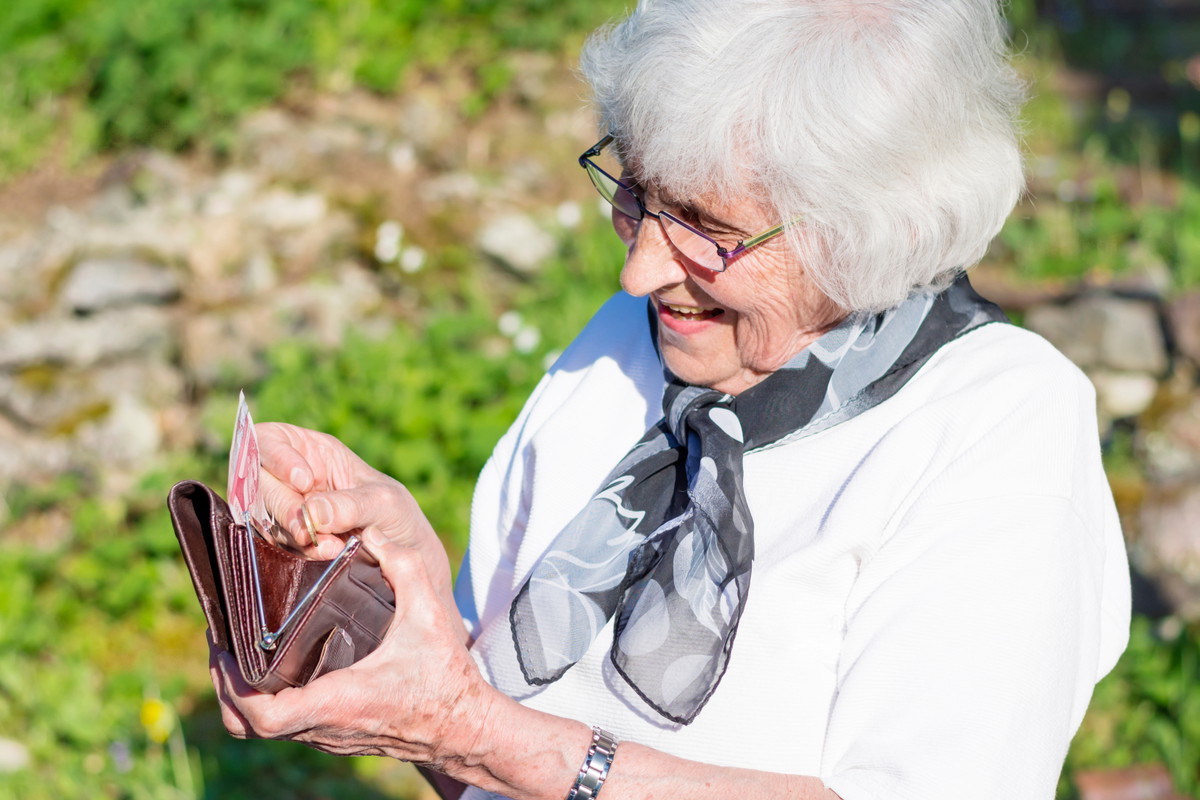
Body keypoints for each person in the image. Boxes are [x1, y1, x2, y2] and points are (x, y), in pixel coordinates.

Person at [210, 1, 1132, 798]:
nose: (639, 270)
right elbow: (482, 755)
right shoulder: (632, 342)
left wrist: (471, 733)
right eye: (638, 194)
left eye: (708, 228)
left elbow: (489, 739)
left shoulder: (995, 426)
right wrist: (385, 592)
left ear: (868, 228)